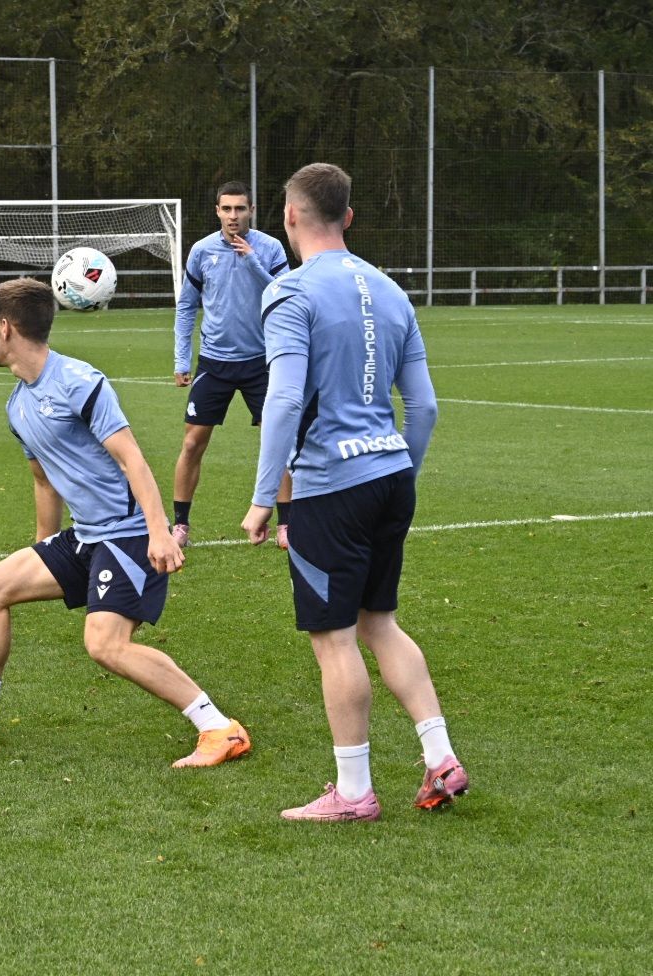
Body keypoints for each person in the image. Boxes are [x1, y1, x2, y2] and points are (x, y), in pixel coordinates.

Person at [0, 277, 250, 769]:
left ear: (6, 327)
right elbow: (45, 482)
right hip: (85, 537)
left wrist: (158, 531)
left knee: (105, 644)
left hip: (128, 534)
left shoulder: (80, 382)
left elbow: (133, 460)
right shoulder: (18, 403)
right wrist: (44, 548)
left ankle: (219, 727)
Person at [242, 162, 465, 822]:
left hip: (329, 488)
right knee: (380, 623)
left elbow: (282, 398)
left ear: (287, 219)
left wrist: (263, 498)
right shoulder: (392, 291)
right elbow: (421, 408)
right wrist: (401, 474)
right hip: (391, 475)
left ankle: (354, 792)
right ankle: (440, 755)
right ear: (349, 216)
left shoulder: (291, 292)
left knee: (335, 638)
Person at [172, 180, 292, 549]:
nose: (233, 216)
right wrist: (181, 358)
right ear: (217, 211)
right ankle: (180, 525)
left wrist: (252, 261)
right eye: (227, 209)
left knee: (280, 443)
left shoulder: (270, 248)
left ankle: (287, 524)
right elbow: (187, 306)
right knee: (192, 443)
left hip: (262, 362)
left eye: (240, 209)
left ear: (251, 211)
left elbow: (285, 295)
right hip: (215, 363)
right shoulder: (201, 251)